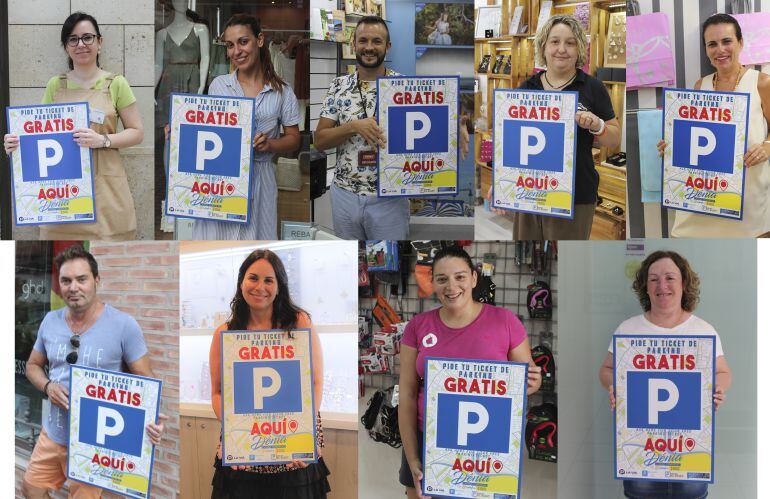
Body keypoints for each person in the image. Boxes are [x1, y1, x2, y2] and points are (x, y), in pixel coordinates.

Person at [22, 245, 167, 499]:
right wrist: (48, 386)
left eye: (81, 279)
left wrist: (152, 420)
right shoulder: (50, 321)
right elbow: (33, 366)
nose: (73, 287)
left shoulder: (124, 325)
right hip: (53, 433)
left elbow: (147, 382)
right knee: (31, 489)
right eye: (66, 281)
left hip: (94, 442)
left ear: (96, 280)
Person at [398, 245, 542, 499]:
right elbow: (408, 395)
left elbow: (525, 382)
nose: (451, 287)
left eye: (460, 277)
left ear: (474, 278)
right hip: (428, 441)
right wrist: (412, 458)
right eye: (442, 279)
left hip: (489, 444)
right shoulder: (417, 326)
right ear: (432, 282)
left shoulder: (506, 321)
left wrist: (533, 382)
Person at [315, 16, 469, 240]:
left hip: (389, 199)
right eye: (363, 40)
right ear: (353, 44)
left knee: (390, 260)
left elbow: (432, 125)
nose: (369, 47)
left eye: (376, 41)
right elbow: (320, 140)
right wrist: (353, 127)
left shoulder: (404, 86)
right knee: (351, 259)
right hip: (345, 195)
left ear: (387, 47)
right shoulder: (338, 86)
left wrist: (459, 126)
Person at [598, 250, 732, 499]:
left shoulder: (704, 330)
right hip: (641, 452)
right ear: (645, 287)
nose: (662, 285)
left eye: (670, 277)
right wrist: (614, 385)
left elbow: (723, 371)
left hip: (689, 449)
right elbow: (606, 369)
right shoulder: (628, 329)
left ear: (683, 283)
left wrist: (719, 389)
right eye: (653, 279)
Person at [3, 12, 145, 240]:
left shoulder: (116, 83)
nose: (81, 44)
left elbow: (137, 132)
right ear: (66, 46)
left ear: (100, 42)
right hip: (62, 197)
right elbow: (38, 134)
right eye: (73, 39)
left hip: (105, 190)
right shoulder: (55, 85)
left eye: (87, 37)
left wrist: (104, 140)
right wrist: (16, 145)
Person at [208, 249, 330, 498]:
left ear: (279, 286)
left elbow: (315, 383)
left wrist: (304, 434)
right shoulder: (225, 332)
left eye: (268, 280)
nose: (259, 287)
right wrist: (235, 436)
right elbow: (218, 393)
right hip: (244, 443)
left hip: (294, 439)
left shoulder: (299, 322)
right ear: (241, 281)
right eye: (253, 278)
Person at [490, 14, 621, 239]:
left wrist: (598, 125)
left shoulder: (593, 87)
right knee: (527, 255)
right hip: (528, 192)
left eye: (570, 43)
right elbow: (508, 141)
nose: (562, 49)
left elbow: (614, 139)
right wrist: (499, 180)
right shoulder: (526, 88)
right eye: (555, 41)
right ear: (543, 47)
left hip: (576, 196)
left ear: (579, 48)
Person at [657, 13, 770, 238]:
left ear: (741, 43)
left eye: (727, 41)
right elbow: (695, 138)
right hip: (702, 201)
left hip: (749, 202)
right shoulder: (700, 85)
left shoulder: (762, 83)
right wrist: (672, 146)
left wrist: (767, 146)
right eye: (712, 44)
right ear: (706, 49)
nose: (720, 50)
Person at [192, 14, 301, 240]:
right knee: (218, 242)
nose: (236, 51)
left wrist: (270, 144)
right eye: (230, 45)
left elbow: (293, 138)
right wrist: (179, 132)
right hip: (221, 178)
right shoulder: (219, 86)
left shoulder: (282, 91)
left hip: (261, 176)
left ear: (259, 40)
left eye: (243, 42)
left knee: (255, 242)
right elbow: (206, 133)